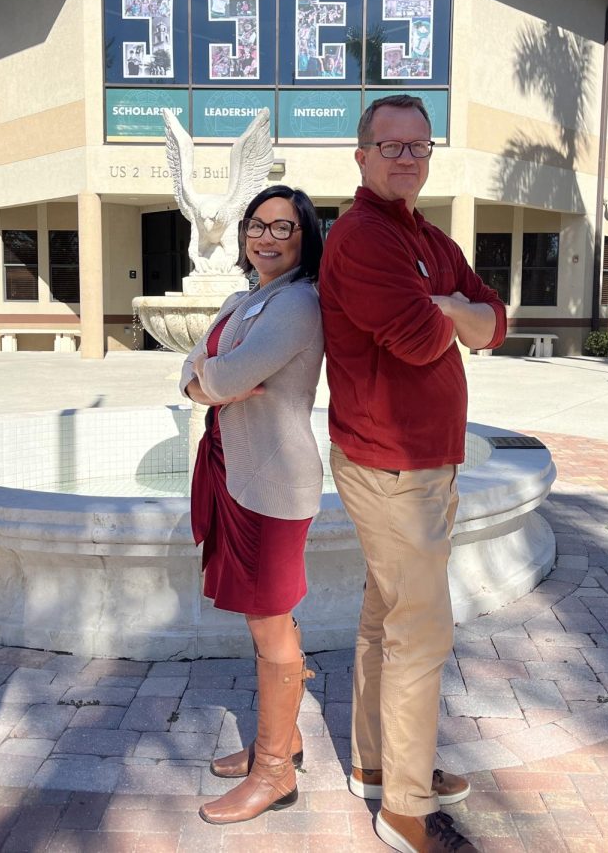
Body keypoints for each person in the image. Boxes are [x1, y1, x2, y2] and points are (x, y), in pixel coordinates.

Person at [318, 95, 506, 853]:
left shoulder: (427, 235)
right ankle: (403, 808)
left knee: (384, 619)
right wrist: (452, 309)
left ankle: (380, 763)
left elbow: (495, 322)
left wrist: (453, 304)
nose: (406, 158)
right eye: (390, 146)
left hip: (423, 462)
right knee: (421, 633)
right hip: (390, 463)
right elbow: (422, 340)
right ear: (361, 155)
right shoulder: (363, 236)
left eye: (419, 146)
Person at [182, 185, 326, 826]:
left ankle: (275, 773)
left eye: (284, 227)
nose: (267, 237)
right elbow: (198, 367)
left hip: (272, 482)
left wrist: (208, 377)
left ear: (305, 237)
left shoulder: (298, 304)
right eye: (258, 225)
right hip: (237, 471)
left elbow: (225, 378)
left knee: (270, 624)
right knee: (268, 617)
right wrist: (204, 377)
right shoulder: (244, 300)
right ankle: (284, 740)